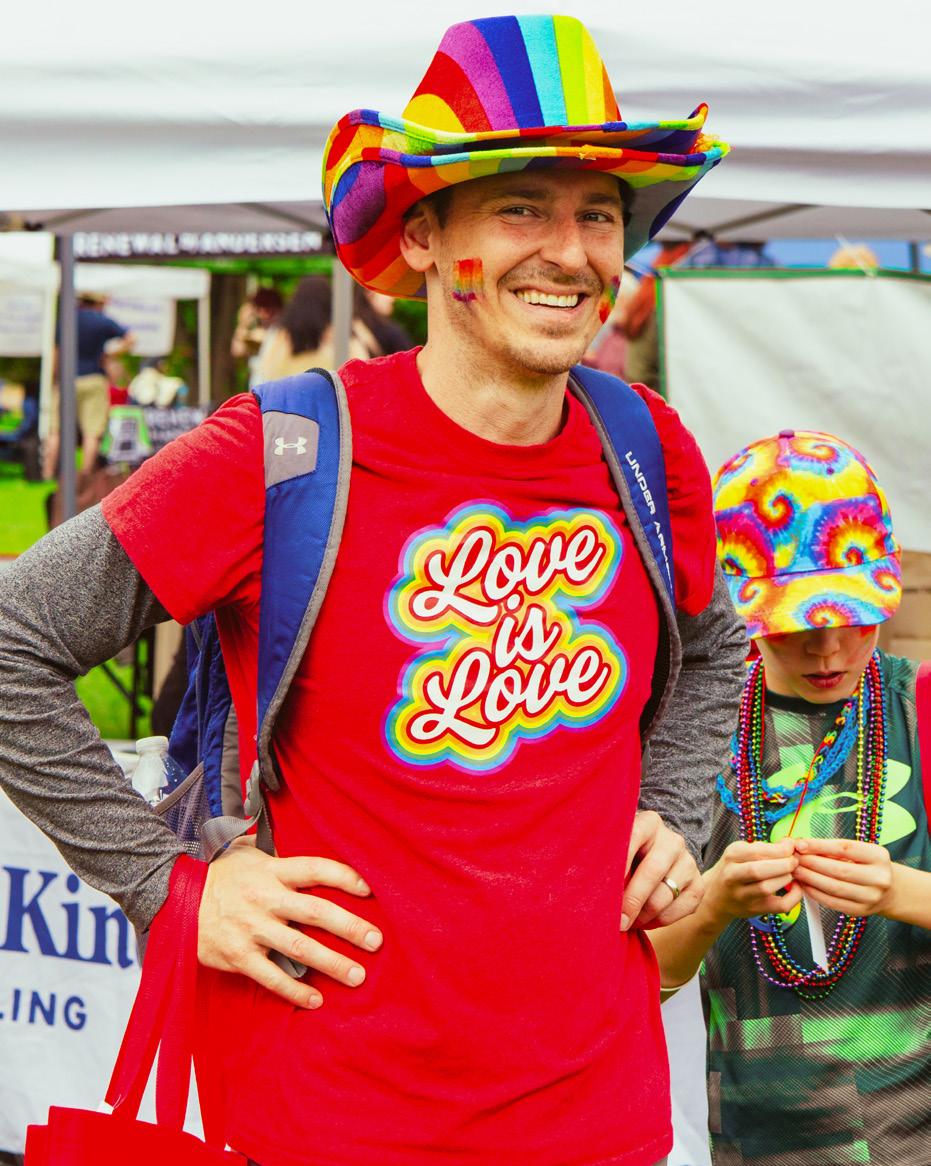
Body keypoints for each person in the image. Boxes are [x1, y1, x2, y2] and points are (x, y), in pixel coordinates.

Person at [0, 15, 746, 1165]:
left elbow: (715, 646)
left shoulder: (647, 446)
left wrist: (676, 804)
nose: (570, 251)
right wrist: (167, 883)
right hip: (333, 1114)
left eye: (598, 213)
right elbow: (15, 639)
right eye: (521, 208)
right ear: (427, 234)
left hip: (599, 1112)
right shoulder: (281, 451)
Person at [649, 429, 931, 1164]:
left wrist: (899, 891)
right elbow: (639, 979)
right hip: (756, 1144)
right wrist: (715, 904)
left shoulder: (920, 712)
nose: (827, 650)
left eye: (849, 619)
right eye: (794, 627)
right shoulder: (692, 738)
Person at [42, 291, 135, 479]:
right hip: (94, 379)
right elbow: (131, 339)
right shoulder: (102, 321)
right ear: (98, 303)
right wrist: (110, 355)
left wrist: (54, 378)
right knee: (91, 431)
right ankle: (86, 473)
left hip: (67, 379)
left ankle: (47, 472)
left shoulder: (66, 320)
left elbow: (56, 352)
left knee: (56, 429)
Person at [252, 274, 371, 381]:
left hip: (287, 397)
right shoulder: (341, 334)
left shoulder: (280, 336)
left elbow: (264, 373)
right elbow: (362, 370)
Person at [230, 286, 284, 387]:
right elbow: (237, 350)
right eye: (259, 308)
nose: (263, 313)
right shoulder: (257, 331)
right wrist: (243, 322)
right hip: (258, 385)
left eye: (267, 307)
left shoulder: (280, 330)